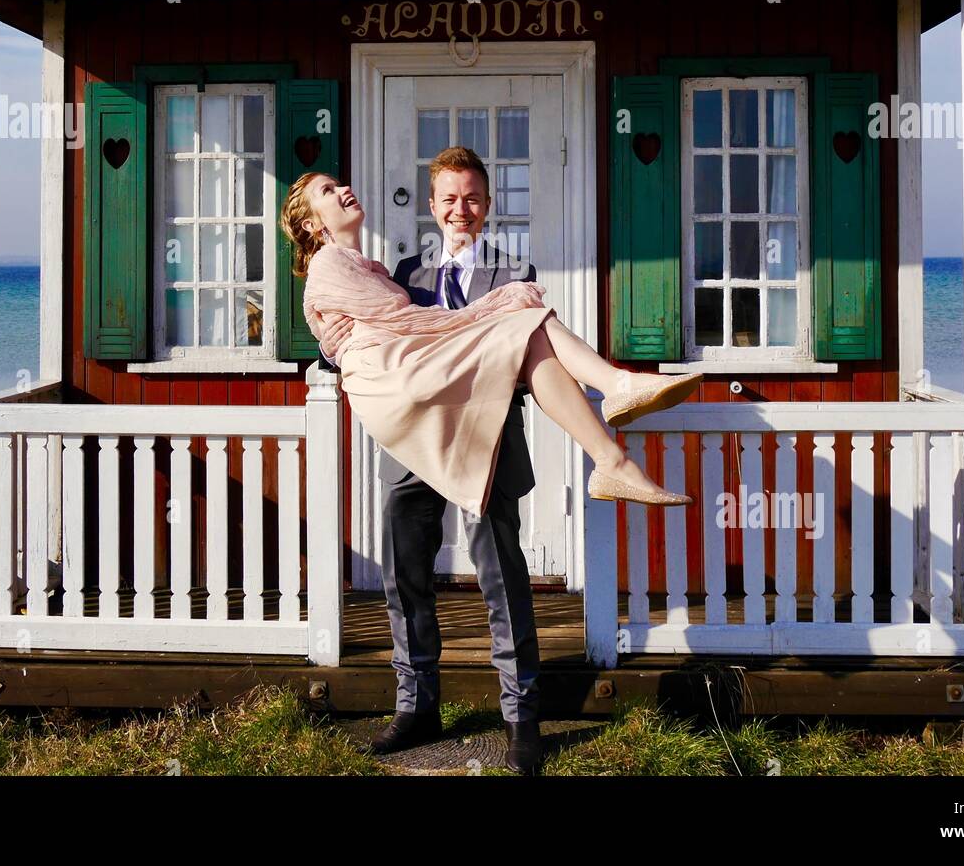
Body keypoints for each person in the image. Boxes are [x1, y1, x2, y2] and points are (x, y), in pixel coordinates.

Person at [279, 150, 701, 772]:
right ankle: (415, 707)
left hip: (490, 434)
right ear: (432, 206)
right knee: (404, 577)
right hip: (414, 443)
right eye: (448, 198)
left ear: (487, 203)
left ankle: (520, 716)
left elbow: (529, 364)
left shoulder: (513, 270)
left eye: (472, 198)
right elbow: (371, 332)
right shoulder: (399, 270)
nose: (460, 209)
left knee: (502, 577)